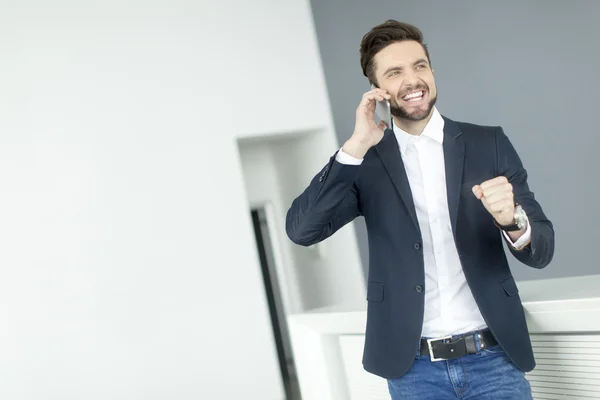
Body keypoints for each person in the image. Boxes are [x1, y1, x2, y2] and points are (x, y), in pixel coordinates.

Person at [285, 20, 554, 399]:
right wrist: (356, 145)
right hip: (414, 372)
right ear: (377, 90)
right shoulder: (366, 161)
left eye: (420, 66)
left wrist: (512, 220)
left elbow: (542, 249)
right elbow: (302, 230)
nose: (412, 80)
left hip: (494, 360)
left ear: (431, 70)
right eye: (395, 73)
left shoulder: (487, 143)